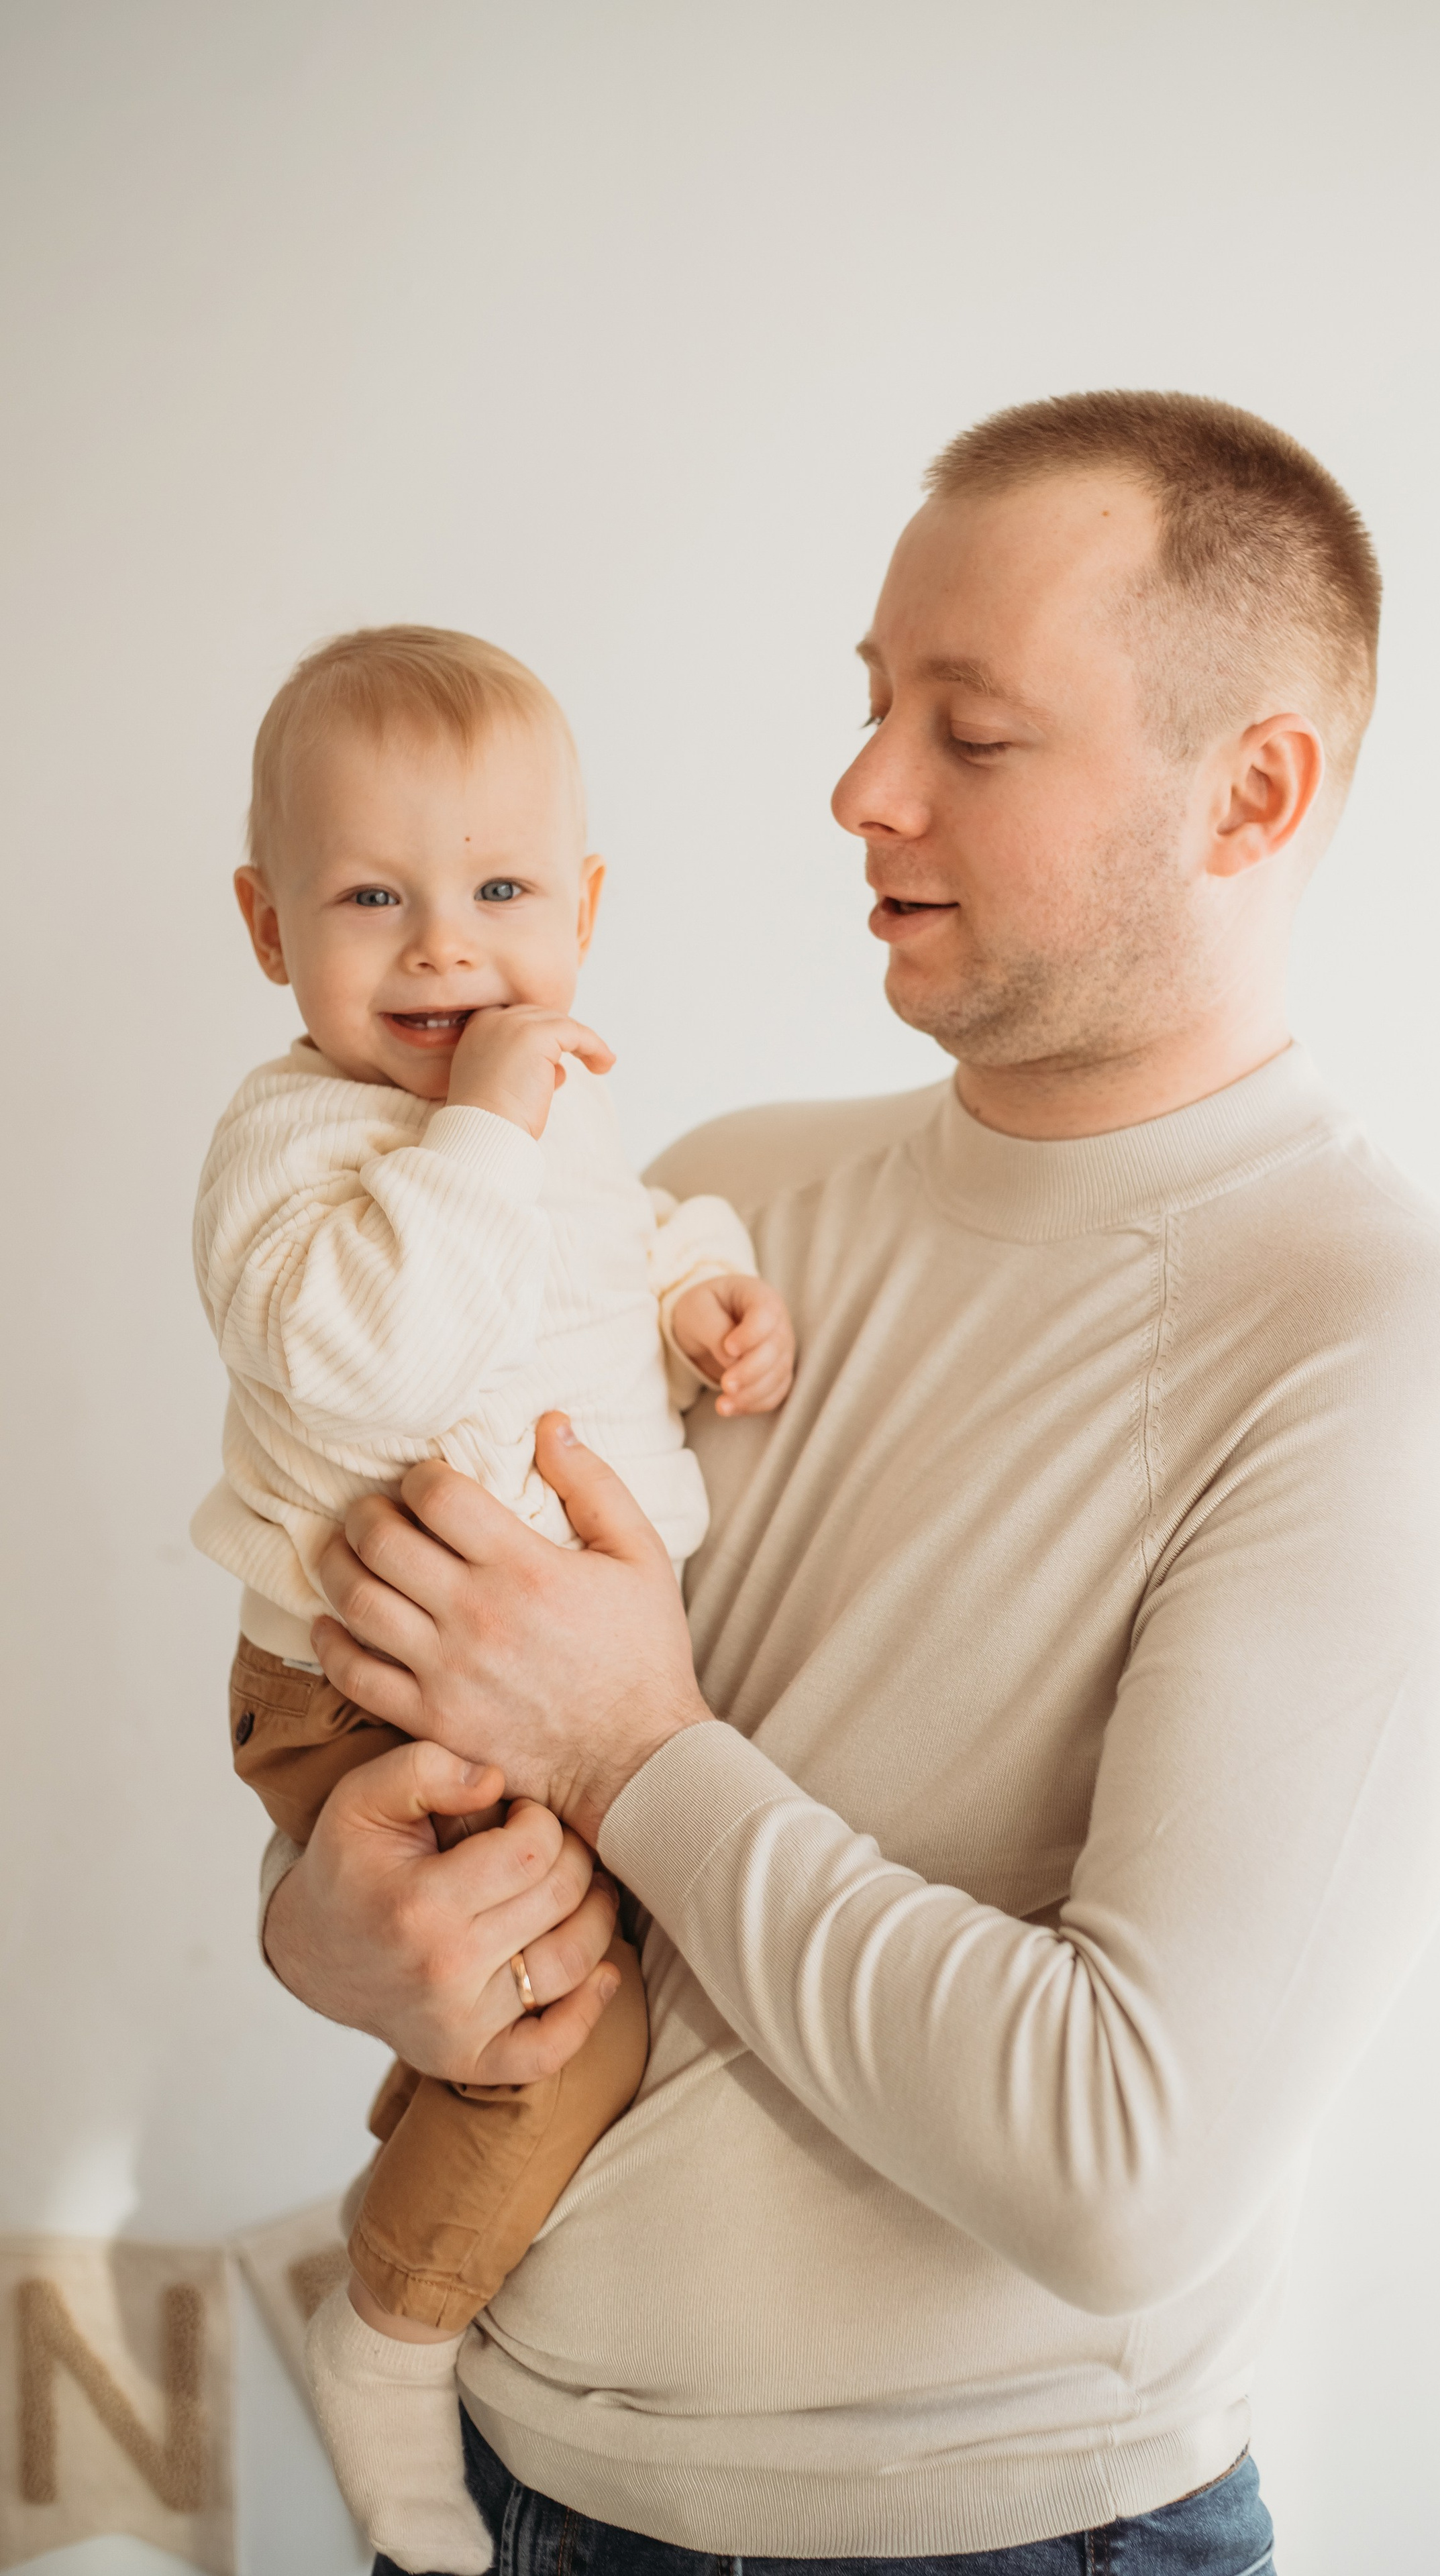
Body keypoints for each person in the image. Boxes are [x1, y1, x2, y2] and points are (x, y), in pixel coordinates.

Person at [260, 392, 1440, 2576]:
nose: (861, 791)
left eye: (973, 733)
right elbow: (406, 1776)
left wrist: (631, 1741)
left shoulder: (1384, 1363)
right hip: (498, 2485)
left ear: (1251, 792)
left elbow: (1117, 2168)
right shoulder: (709, 1205)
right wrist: (333, 1925)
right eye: (875, 708)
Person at [193, 624, 794, 2572]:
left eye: (504, 892)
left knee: (534, 2024)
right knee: (561, 2037)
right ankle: (382, 2332)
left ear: (589, 909)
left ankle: (394, 2249)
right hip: (371, 1688)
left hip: (507, 1677)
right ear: (269, 929)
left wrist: (701, 1288)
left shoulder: (552, 1115)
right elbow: (364, 1359)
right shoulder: (292, 1140)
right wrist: (484, 1127)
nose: (447, 949)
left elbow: (606, 1240)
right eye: (373, 898)